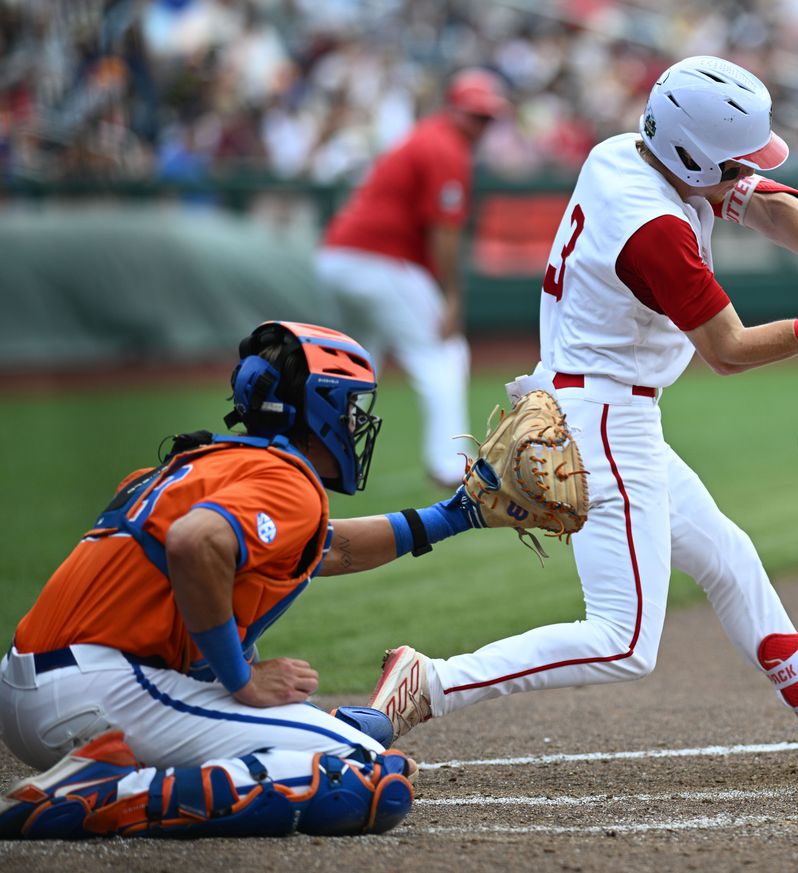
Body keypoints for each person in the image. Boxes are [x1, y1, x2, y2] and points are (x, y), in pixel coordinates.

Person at [369, 57, 798, 776]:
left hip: (597, 401)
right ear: (693, 155)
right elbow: (726, 349)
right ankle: (431, 682)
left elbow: (762, 199)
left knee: (728, 558)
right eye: (732, 161)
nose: (743, 174)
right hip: (603, 419)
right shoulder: (653, 228)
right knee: (622, 639)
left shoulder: (625, 151)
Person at [0, 321, 487, 839]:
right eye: (351, 407)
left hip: (37, 687)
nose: (356, 422)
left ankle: (110, 774)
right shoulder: (287, 480)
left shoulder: (205, 463)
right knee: (363, 773)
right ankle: (109, 794)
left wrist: (461, 514)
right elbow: (196, 541)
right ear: (321, 409)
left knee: (361, 758)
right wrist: (242, 678)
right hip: (103, 691)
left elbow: (329, 549)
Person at [316, 68, 511, 490]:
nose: (481, 126)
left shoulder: (427, 136)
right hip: (378, 259)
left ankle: (323, 452)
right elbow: (444, 231)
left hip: (340, 257)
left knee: (358, 364)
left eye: (487, 118)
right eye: (475, 115)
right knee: (443, 353)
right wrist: (452, 296)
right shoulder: (446, 147)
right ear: (454, 110)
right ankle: (448, 464)